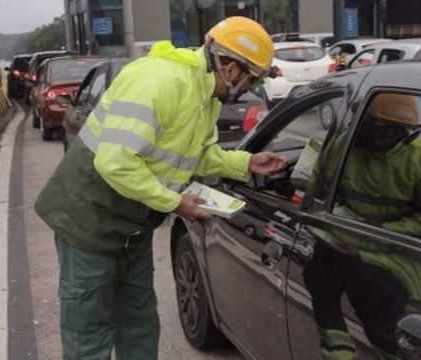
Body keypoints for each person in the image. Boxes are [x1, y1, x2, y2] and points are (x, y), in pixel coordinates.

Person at [35, 17, 286, 360]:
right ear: (228, 66)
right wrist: (175, 202)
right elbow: (114, 162)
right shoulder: (160, 81)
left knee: (139, 323)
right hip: (88, 220)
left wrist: (245, 163)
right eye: (252, 78)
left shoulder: (206, 97)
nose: (251, 88)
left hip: (133, 224)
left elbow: (196, 155)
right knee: (89, 331)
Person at [304, 94, 421, 360]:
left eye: (368, 127)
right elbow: (319, 189)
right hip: (345, 244)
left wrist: (377, 232)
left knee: (381, 326)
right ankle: (339, 352)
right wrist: (338, 219)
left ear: (397, 132)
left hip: (394, 258)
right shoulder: (343, 146)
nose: (356, 131)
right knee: (318, 276)